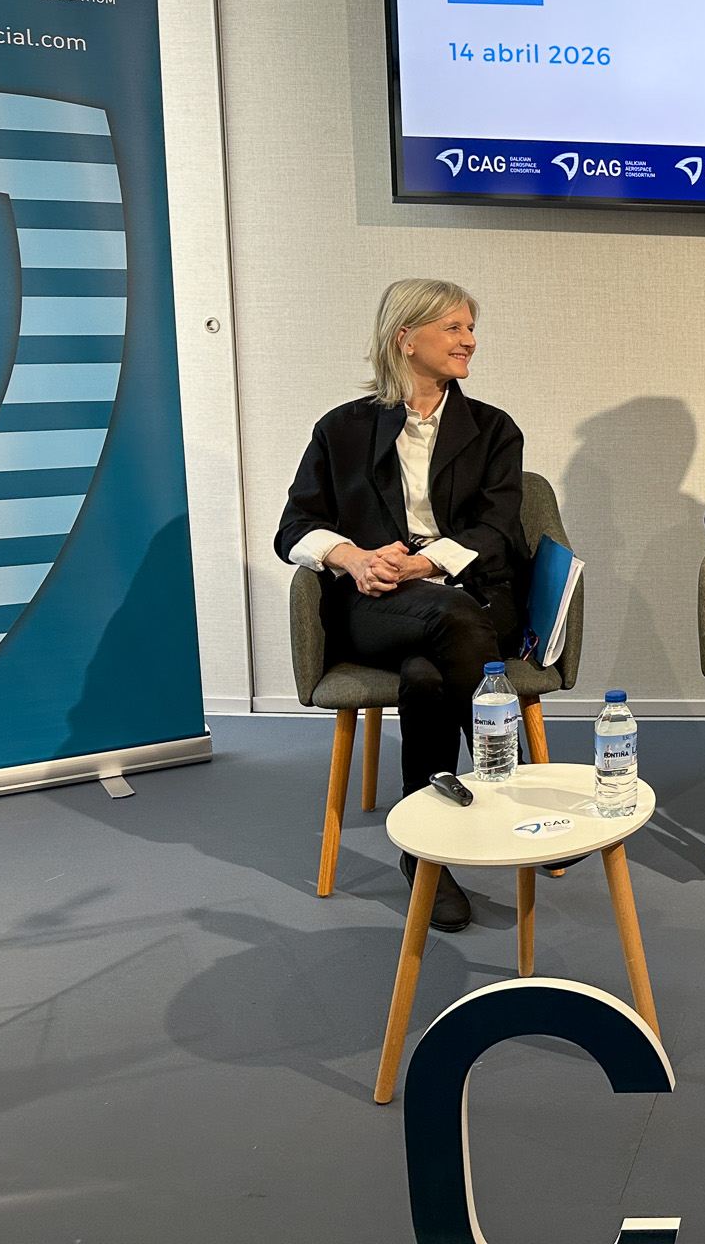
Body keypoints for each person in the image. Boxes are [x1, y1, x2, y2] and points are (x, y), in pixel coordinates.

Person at [275, 279, 528, 933]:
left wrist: (426, 562)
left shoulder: (494, 429)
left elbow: (499, 530)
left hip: (473, 596)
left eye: (471, 328)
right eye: (454, 328)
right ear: (405, 338)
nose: (470, 341)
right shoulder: (342, 429)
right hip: (378, 606)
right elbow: (293, 529)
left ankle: (424, 857)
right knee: (447, 624)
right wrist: (354, 558)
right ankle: (514, 787)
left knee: (426, 673)